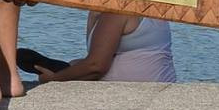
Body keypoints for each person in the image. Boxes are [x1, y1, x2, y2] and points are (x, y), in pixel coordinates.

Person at [27, 12, 178, 84]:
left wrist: (54, 79)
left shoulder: (118, 12)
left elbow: (96, 66)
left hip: (136, 93)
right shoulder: (152, 7)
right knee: (74, 63)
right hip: (156, 85)